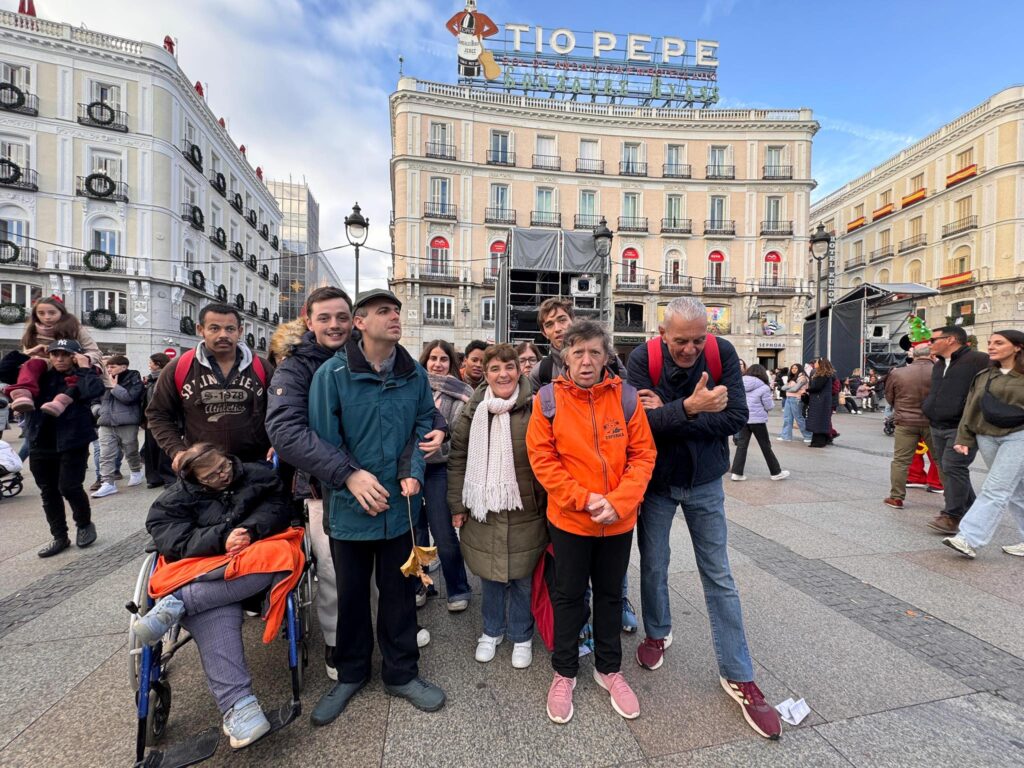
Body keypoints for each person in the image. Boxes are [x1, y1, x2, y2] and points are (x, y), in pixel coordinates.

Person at [626, 296, 782, 740]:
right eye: (681, 341)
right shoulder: (642, 359)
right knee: (653, 564)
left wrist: (670, 411)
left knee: (718, 574)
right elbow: (639, 424)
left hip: (706, 480)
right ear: (662, 334)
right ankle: (657, 633)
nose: (690, 349)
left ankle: (739, 673)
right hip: (656, 483)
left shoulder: (722, 353)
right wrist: (694, 407)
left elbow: (735, 419)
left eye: (698, 340)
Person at [308, 289, 444, 724]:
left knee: (400, 595)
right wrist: (355, 485)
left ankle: (401, 673)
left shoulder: (414, 374)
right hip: (349, 511)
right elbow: (323, 442)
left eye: (397, 310)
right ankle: (350, 674)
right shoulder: (331, 374)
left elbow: (423, 424)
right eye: (384, 311)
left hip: (401, 509)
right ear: (361, 323)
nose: (395, 316)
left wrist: (413, 470)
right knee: (350, 596)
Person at [528, 320, 655, 723]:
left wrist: (619, 502)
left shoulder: (627, 398)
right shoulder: (547, 400)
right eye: (578, 352)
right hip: (570, 521)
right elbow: (543, 459)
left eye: (595, 352)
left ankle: (609, 668)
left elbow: (643, 455)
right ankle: (564, 671)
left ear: (606, 357)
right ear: (565, 355)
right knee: (568, 596)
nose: (586, 361)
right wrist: (583, 499)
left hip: (618, 521)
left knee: (610, 596)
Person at [135, 443, 300, 750]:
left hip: (249, 556)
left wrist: (249, 531)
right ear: (193, 479)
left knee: (279, 560)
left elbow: (278, 506)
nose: (222, 475)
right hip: (204, 565)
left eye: (224, 466)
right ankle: (239, 705)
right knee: (214, 610)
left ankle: (180, 602)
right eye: (211, 476)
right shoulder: (173, 499)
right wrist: (221, 539)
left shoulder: (258, 475)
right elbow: (171, 537)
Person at [528, 297, 635, 632]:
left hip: (613, 498)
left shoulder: (615, 376)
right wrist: (579, 496)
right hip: (568, 496)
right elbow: (539, 445)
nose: (557, 327)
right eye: (549, 324)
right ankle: (579, 623)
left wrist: (618, 500)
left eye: (562, 319)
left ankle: (618, 604)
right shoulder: (543, 374)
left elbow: (636, 439)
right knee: (571, 578)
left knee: (611, 579)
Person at [266, 287, 355, 681]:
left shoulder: (369, 353)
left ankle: (382, 630)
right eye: (325, 318)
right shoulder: (295, 367)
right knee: (333, 569)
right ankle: (336, 640)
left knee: (380, 569)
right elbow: (286, 431)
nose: (335, 325)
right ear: (309, 321)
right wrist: (345, 471)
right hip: (324, 486)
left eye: (341, 317)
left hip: (376, 482)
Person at [448, 344, 547, 668]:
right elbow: (458, 457)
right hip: (484, 509)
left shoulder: (537, 406)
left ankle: (521, 635)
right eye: (495, 368)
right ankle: (491, 631)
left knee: (523, 577)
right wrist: (457, 505)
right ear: (486, 375)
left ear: (519, 370)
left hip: (527, 509)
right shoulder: (474, 410)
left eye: (509, 367)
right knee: (489, 575)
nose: (503, 374)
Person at [0, 339, 104, 557]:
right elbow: (4, 372)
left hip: (73, 440)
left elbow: (93, 391)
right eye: (55, 354)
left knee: (69, 487)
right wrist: (26, 353)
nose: (59, 359)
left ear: (74, 357)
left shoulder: (82, 375)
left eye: (65, 355)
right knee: (48, 491)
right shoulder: (40, 373)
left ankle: (84, 524)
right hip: (40, 440)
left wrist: (84, 366)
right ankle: (59, 536)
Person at [146, 303, 274, 468]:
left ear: (240, 331)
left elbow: (281, 412)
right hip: (202, 468)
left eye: (230, 329)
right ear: (200, 329)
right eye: (214, 328)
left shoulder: (262, 368)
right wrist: (177, 451)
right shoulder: (178, 368)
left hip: (255, 465)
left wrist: (277, 444)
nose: (223, 335)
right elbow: (158, 414)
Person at [941, 330, 1024, 559]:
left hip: (1019, 436)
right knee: (1017, 490)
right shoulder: (984, 375)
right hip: (986, 436)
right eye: (990, 342)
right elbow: (971, 408)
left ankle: (968, 538)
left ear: (1017, 347)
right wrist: (964, 438)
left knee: (996, 488)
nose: (991, 346)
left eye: (999, 343)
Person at [416, 339, 474, 612]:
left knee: (443, 531)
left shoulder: (461, 393)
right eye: (433, 358)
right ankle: (421, 585)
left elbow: (461, 437)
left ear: (451, 363)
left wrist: (439, 445)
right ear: (425, 361)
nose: (437, 364)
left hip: (441, 468)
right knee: (415, 531)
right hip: (411, 466)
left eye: (443, 359)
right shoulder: (413, 387)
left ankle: (458, 587)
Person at [921, 326, 991, 534]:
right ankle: (973, 511)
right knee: (947, 468)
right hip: (937, 424)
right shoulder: (939, 364)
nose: (929, 344)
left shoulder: (979, 360)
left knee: (953, 467)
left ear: (950, 339)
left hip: (962, 426)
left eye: (933, 340)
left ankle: (952, 516)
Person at [5, 296, 104, 414]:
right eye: (41, 313)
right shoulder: (31, 331)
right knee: (31, 365)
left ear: (61, 312)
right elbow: (6, 371)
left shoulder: (75, 328)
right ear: (35, 314)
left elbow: (94, 351)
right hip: (43, 370)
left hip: (74, 366)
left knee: (76, 379)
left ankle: (62, 400)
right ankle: (23, 395)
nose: (47, 317)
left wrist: (84, 360)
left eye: (52, 312)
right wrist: (27, 353)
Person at [882, 345, 935, 509]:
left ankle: (896, 497)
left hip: (905, 421)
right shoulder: (940, 371)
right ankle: (953, 500)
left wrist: (900, 407)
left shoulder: (898, 373)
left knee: (900, 461)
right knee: (941, 460)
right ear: (931, 355)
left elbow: (889, 396)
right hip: (933, 421)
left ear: (913, 356)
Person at [91, 355, 145, 498]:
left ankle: (135, 471)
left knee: (130, 450)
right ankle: (107, 483)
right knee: (105, 454)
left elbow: (130, 398)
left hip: (127, 422)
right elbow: (94, 399)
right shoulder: (103, 380)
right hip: (106, 423)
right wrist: (98, 411)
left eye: (113, 366)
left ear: (123, 367)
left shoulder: (134, 379)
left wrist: (114, 386)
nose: (109, 369)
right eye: (108, 367)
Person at [730, 364, 789, 481]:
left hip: (744, 418)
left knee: (741, 446)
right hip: (757, 420)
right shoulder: (764, 387)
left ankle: (736, 473)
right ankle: (776, 472)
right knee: (765, 446)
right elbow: (769, 406)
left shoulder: (740, 383)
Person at [140, 353, 174, 488]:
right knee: (151, 450)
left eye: (151, 362)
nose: (149, 365)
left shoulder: (168, 378)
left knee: (165, 449)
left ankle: (169, 478)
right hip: (150, 420)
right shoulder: (150, 380)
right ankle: (154, 478)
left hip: (166, 419)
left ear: (158, 364)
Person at [806, 358, 836, 448]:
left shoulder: (823, 375)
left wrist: (807, 390)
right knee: (821, 420)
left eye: (816, 362)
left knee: (819, 420)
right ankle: (821, 440)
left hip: (820, 400)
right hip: (822, 400)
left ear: (820, 364)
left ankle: (819, 441)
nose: (814, 363)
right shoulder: (825, 374)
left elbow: (817, 387)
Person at [778, 363, 812, 442]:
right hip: (789, 398)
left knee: (799, 418)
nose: (793, 369)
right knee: (787, 418)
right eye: (792, 368)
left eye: (796, 368)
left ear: (799, 369)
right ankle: (786, 436)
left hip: (797, 399)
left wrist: (787, 388)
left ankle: (808, 436)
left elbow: (795, 389)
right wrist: (788, 388)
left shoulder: (803, 378)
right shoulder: (792, 377)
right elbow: (783, 387)